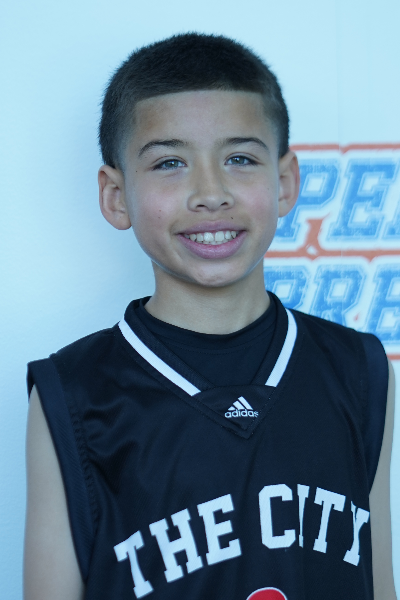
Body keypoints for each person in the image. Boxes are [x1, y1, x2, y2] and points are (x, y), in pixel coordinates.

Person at [24, 33, 397, 600]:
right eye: (170, 162)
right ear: (116, 195)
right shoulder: (74, 392)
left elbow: (378, 581)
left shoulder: (358, 368)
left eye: (239, 159)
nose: (210, 192)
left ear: (285, 182)